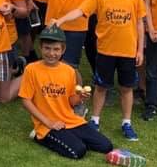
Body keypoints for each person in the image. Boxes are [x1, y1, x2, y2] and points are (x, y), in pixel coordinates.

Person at [49, 0, 145, 142]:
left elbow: (140, 24)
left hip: (127, 51)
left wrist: (140, 49)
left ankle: (126, 122)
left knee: (126, 88)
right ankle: (95, 119)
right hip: (105, 50)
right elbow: (80, 10)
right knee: (101, 87)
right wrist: (60, 21)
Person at [19, 26, 113, 160]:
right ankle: (38, 136)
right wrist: (48, 122)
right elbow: (25, 100)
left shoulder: (68, 71)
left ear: (63, 49)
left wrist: (80, 97)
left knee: (106, 146)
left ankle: (70, 136)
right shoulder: (31, 69)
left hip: (70, 120)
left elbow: (70, 101)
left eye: (56, 49)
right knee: (78, 151)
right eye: (47, 48)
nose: (51, 53)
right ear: (41, 47)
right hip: (47, 125)